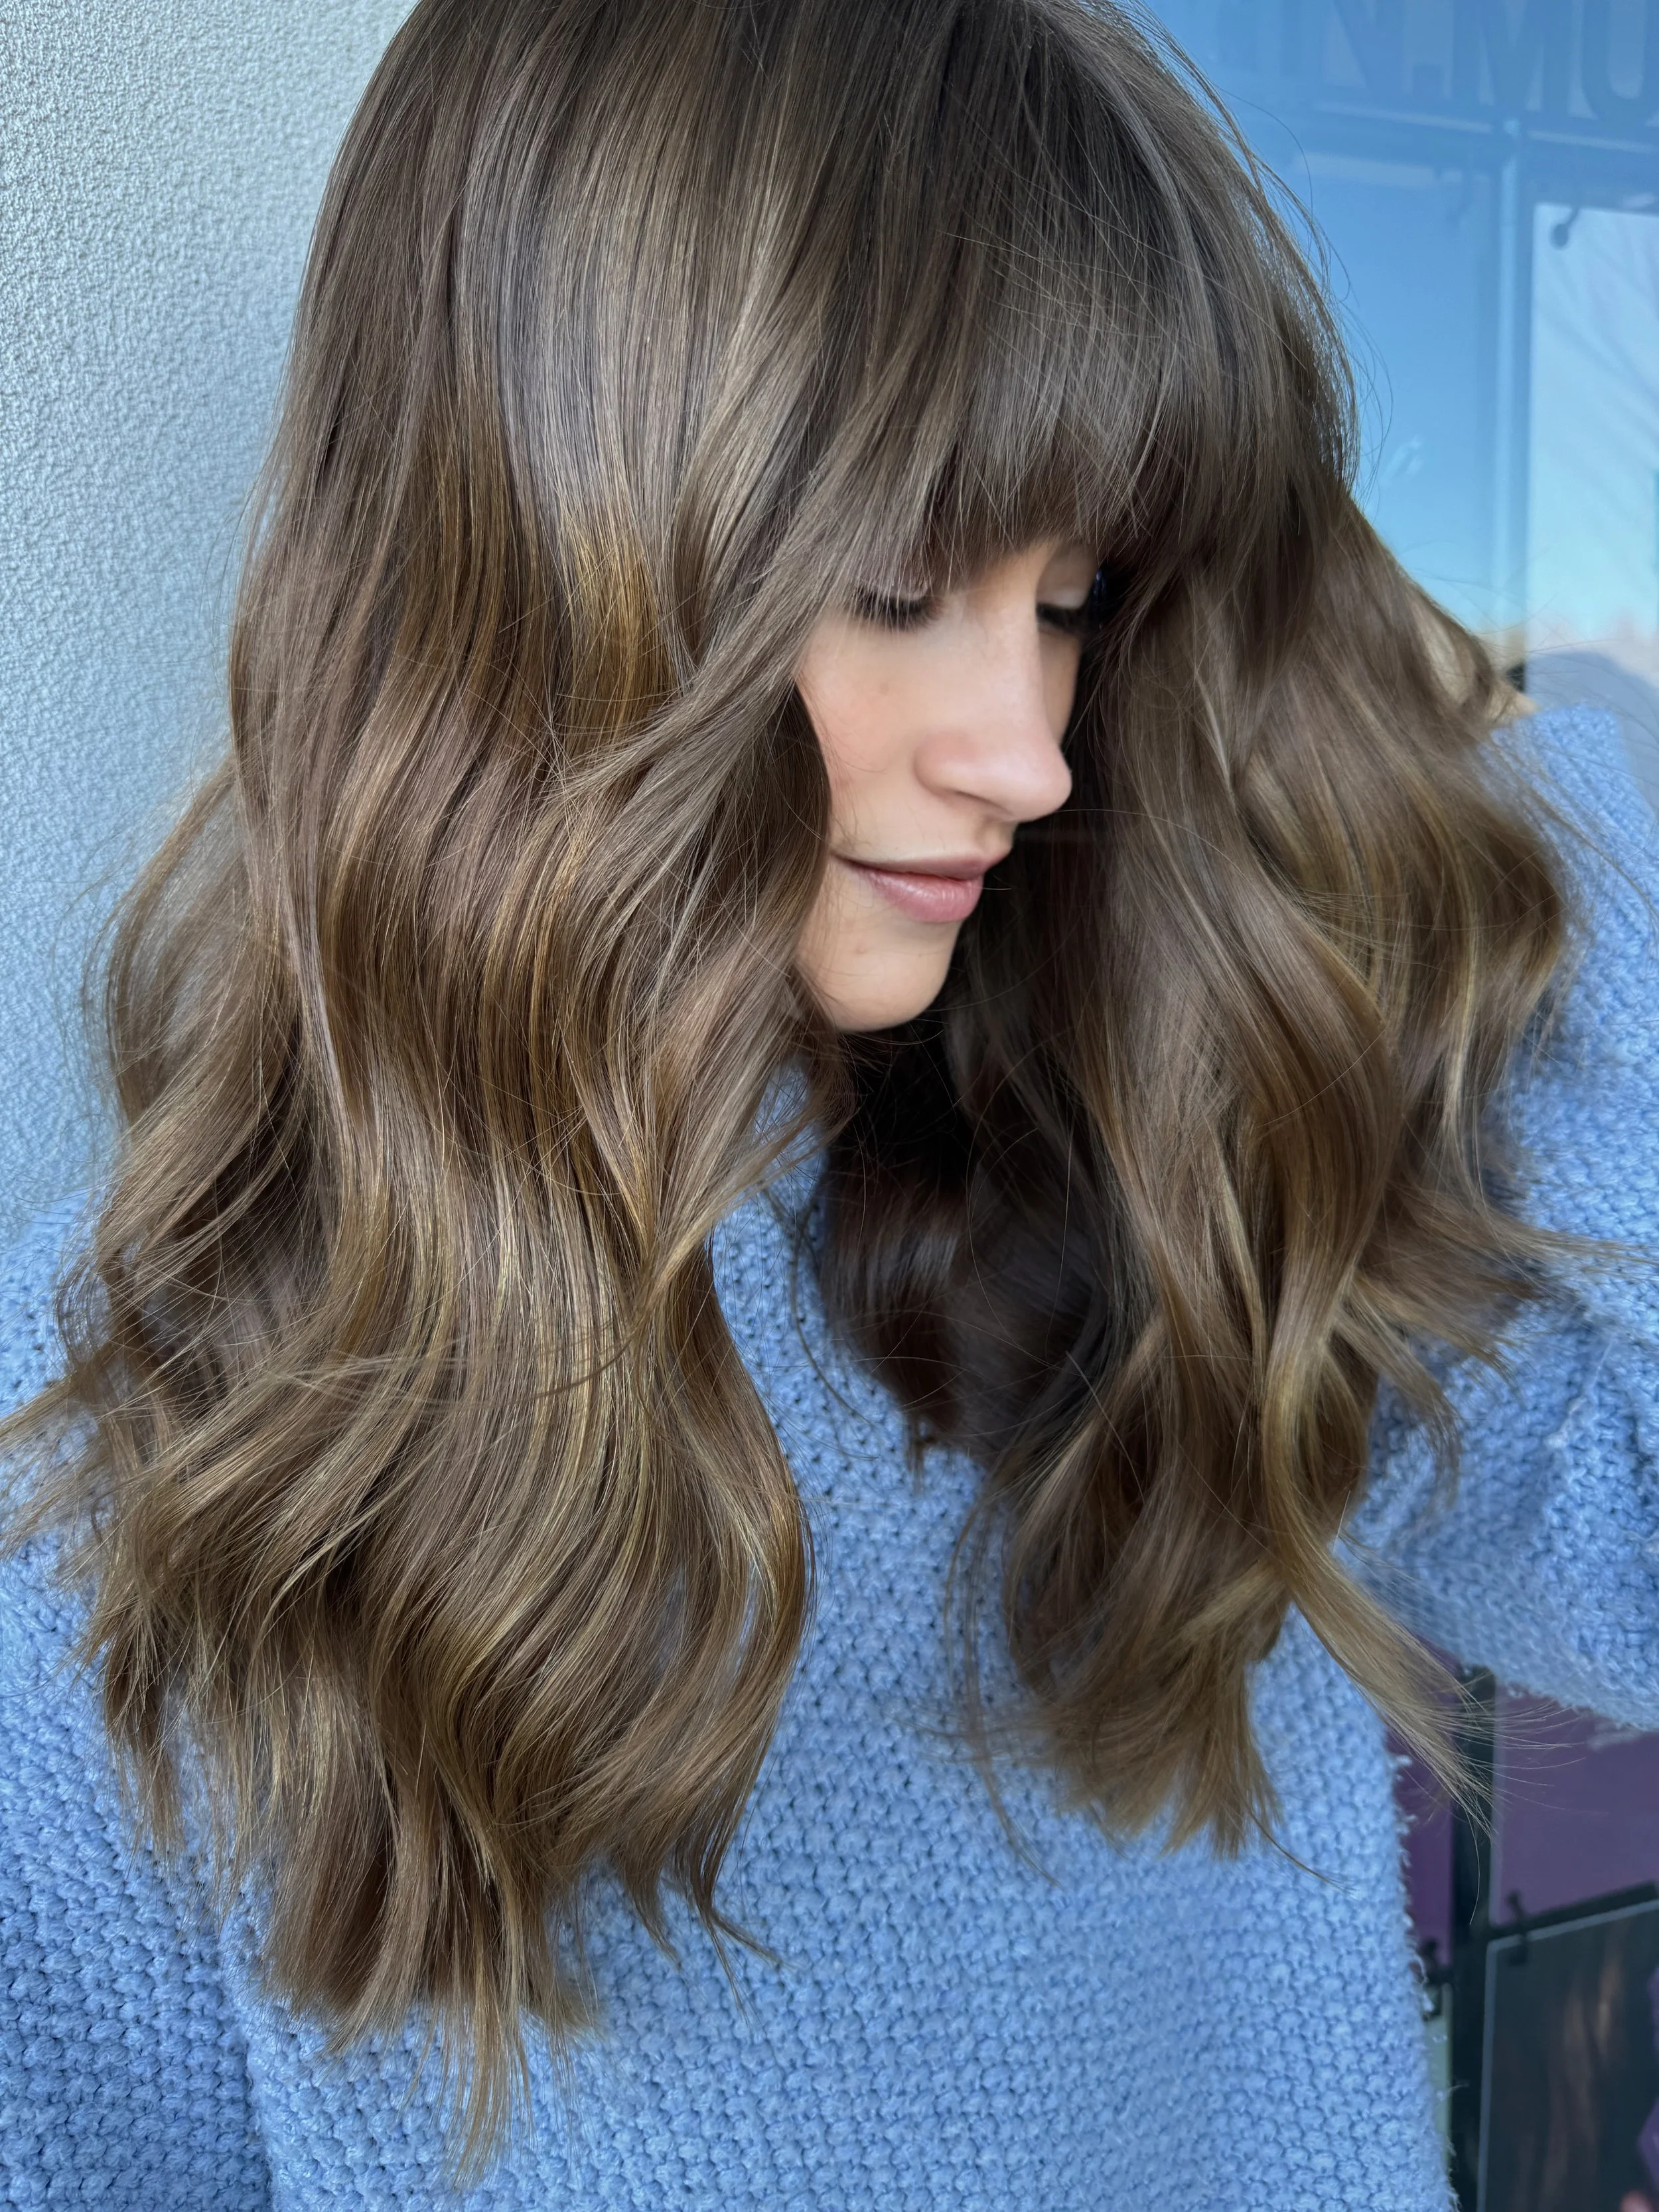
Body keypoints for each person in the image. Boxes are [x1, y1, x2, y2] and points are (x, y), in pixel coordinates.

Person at [1, 0, 1657, 2203]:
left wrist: (1515, 783)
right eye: (902, 587)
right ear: (536, 554)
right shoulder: (133, 1466)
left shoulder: (1149, 1178)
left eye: (1074, 599)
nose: (1033, 749)